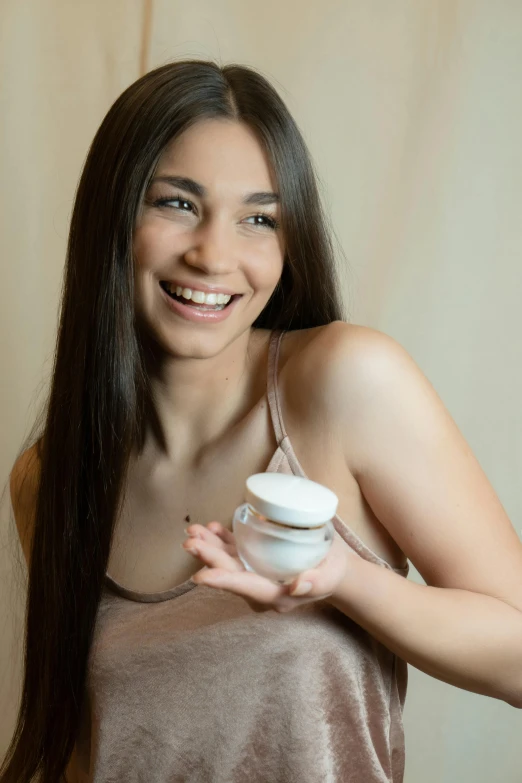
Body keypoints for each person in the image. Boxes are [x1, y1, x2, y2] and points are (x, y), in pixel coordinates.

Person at [3, 59, 522, 783]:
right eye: (177, 203)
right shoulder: (47, 476)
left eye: (258, 219)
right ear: (111, 216)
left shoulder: (345, 382)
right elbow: (75, 750)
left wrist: (342, 578)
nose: (214, 254)